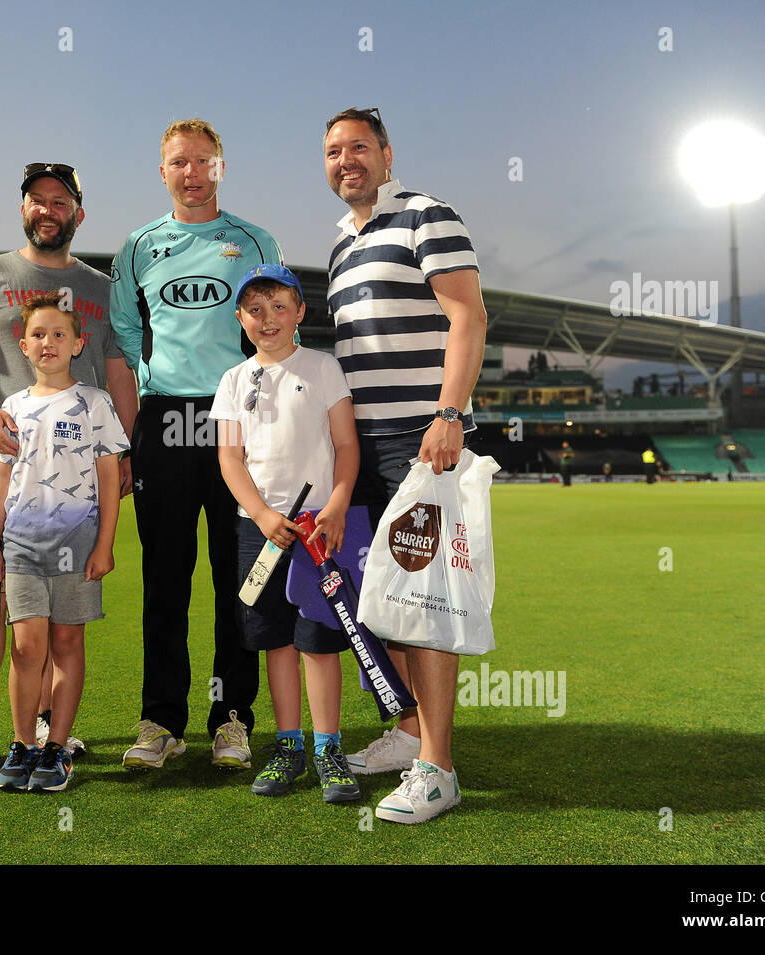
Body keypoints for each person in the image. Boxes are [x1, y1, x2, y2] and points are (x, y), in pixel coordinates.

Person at [0, 162, 138, 783]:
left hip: (78, 472)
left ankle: (49, 729)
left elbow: (119, 369)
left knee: (61, 613)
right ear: (23, 208)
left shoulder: (101, 288)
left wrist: (125, 455)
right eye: (36, 200)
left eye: (60, 200)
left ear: (79, 213)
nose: (47, 209)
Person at [323, 107, 488, 824]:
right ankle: (413, 731)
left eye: (359, 146)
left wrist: (448, 414)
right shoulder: (340, 247)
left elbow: (468, 317)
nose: (345, 159)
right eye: (333, 151)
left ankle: (439, 768)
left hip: (420, 441)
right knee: (387, 598)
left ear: (387, 155)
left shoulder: (428, 215)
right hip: (362, 443)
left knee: (425, 603)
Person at [110, 118, 283, 769]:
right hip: (163, 426)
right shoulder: (137, 247)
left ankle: (232, 718)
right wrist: (133, 438)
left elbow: (272, 338)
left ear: (220, 167)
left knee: (237, 579)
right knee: (164, 580)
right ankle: (161, 719)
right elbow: (126, 346)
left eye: (202, 161)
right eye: (179, 162)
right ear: (163, 172)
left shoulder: (254, 240)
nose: (191, 172)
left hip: (236, 421)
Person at [211, 265, 362, 802]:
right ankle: (289, 745)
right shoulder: (232, 381)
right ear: (240, 319)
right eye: (255, 309)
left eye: (279, 307)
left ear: (300, 312)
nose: (267, 319)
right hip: (260, 528)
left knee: (318, 643)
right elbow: (230, 458)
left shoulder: (322, 367)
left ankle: (328, 748)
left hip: (318, 526)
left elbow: (345, 445)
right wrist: (259, 513)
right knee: (274, 639)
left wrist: (339, 503)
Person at [0, 292, 128, 792]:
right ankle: (23, 745)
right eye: (38, 335)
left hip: (79, 543)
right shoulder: (11, 407)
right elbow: (0, 479)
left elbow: (110, 475)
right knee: (27, 648)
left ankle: (57, 748)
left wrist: (106, 541)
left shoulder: (95, 403)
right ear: (23, 346)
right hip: (22, 545)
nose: (48, 342)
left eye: (59, 334)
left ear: (78, 343)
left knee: (67, 643)